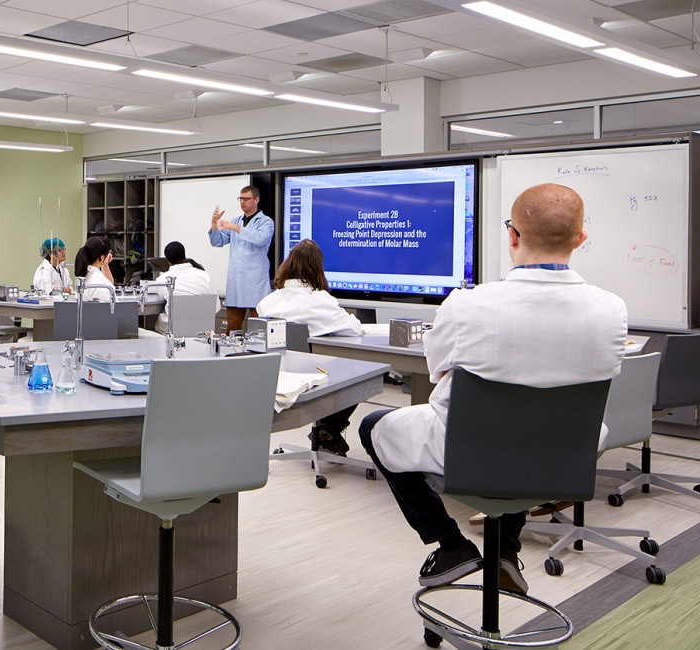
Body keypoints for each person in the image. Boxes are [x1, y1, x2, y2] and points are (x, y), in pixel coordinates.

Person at [358, 183, 626, 596]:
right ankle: (505, 549)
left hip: (473, 454)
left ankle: (450, 546)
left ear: (513, 236)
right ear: (581, 239)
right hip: (562, 459)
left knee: (374, 425)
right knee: (532, 436)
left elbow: (436, 372)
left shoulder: (467, 304)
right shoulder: (612, 310)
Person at [256, 239, 363, 455]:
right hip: (313, 377)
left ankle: (326, 430)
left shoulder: (267, 302)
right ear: (318, 268)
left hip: (279, 376)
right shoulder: (321, 301)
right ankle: (329, 427)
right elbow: (354, 329)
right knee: (359, 374)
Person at [208, 185, 274, 333]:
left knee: (260, 328)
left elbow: (260, 239)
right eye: (241, 199)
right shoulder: (236, 220)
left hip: (255, 281)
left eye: (246, 199)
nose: (242, 202)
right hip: (236, 282)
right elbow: (217, 241)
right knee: (232, 327)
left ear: (256, 200)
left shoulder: (266, 222)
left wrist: (235, 228)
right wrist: (214, 224)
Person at [149, 241, 213, 335]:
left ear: (168, 261)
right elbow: (215, 308)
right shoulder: (206, 276)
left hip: (171, 333)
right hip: (202, 333)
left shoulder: (162, 280)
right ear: (185, 255)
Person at [73, 236, 116, 302]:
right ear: (102, 257)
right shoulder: (102, 284)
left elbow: (109, 282)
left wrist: (105, 265)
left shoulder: (86, 274)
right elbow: (115, 307)